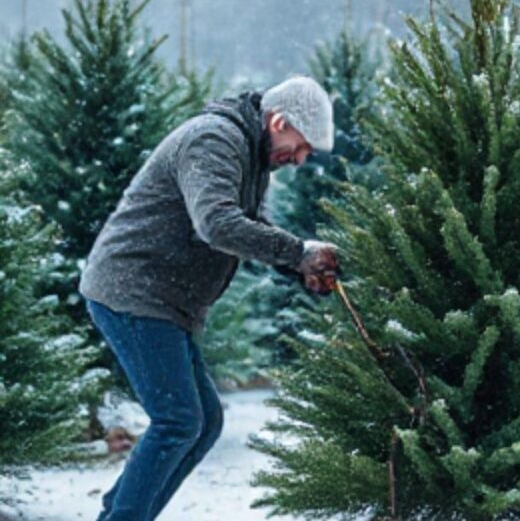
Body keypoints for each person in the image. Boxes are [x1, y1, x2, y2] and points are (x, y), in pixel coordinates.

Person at [79, 76, 340, 521]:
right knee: (178, 420)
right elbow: (217, 224)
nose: (299, 160)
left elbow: (254, 224)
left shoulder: (251, 154)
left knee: (203, 424)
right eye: (301, 146)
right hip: (133, 291)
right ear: (279, 121)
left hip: (165, 302)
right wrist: (298, 252)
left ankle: (122, 515)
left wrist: (300, 265)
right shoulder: (213, 140)